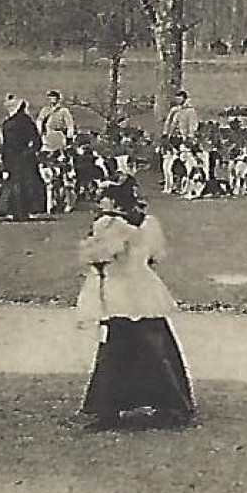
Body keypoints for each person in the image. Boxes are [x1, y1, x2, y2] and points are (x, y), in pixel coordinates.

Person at [77, 177, 195, 430]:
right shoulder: (149, 223)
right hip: (145, 288)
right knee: (156, 347)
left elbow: (98, 256)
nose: (99, 203)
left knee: (115, 350)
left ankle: (109, 410)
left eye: (104, 198)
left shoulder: (110, 225)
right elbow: (155, 256)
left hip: (120, 291)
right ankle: (171, 405)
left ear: (114, 201)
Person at [0, 96, 47, 221]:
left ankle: (15, 212)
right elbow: (37, 141)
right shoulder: (26, 121)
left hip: (13, 156)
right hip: (24, 156)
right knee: (25, 184)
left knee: (15, 184)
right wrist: (30, 151)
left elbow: (6, 144)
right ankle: (24, 212)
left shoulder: (9, 123)